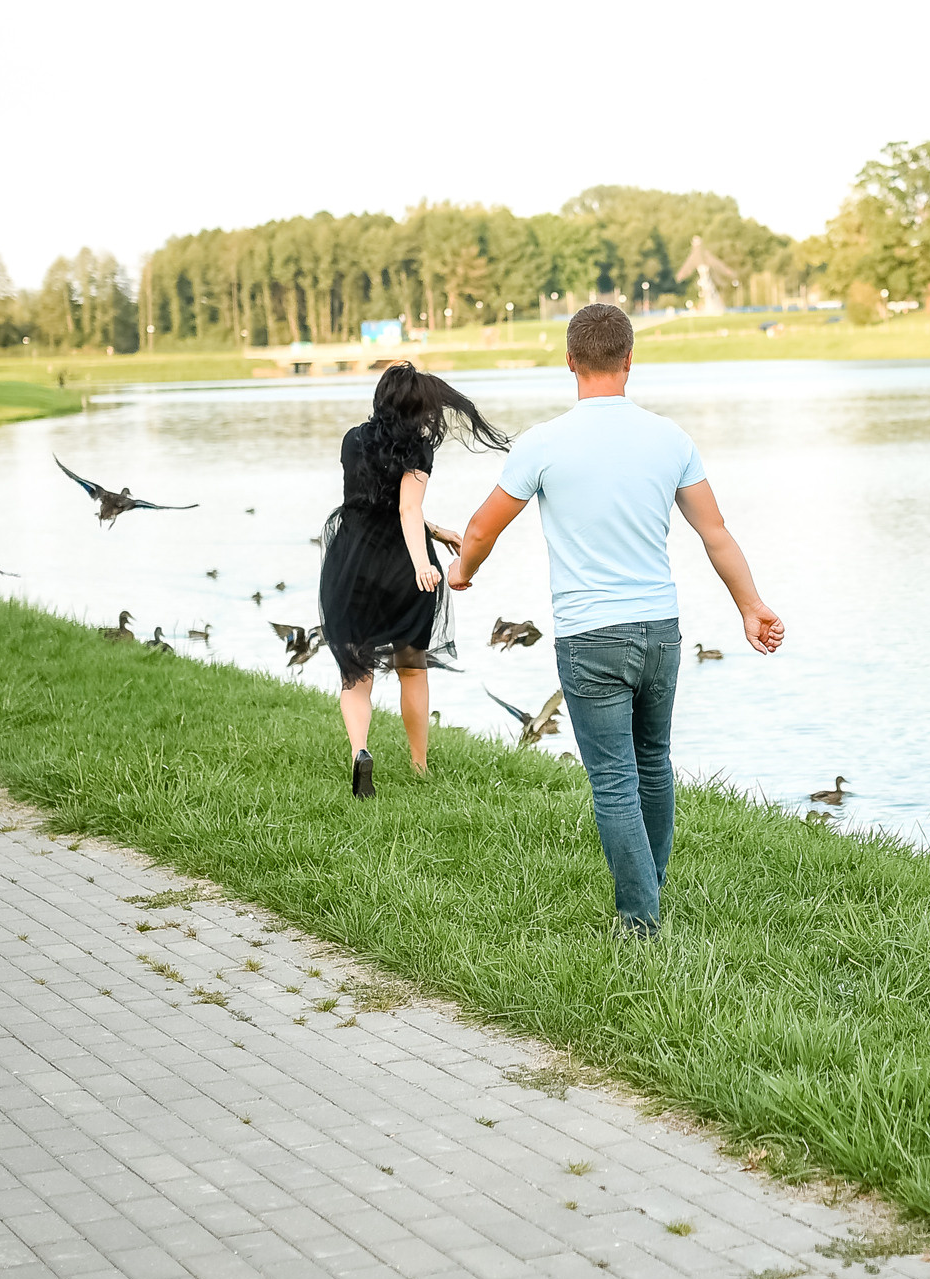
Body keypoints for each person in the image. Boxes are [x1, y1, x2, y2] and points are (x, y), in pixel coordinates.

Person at [449, 304, 783, 937]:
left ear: (570, 361)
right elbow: (715, 534)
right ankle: (647, 895)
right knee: (652, 762)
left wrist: (464, 571)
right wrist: (751, 607)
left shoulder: (543, 443)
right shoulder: (670, 439)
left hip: (590, 637)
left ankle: (639, 920)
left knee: (613, 780)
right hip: (660, 631)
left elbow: (480, 529)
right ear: (630, 359)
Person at [319, 362, 511, 798]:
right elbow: (405, 509)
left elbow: (374, 504)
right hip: (403, 570)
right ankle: (420, 766)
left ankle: (359, 754)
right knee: (413, 669)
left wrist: (435, 529)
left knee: (356, 672)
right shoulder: (419, 449)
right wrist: (423, 562)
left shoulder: (352, 440)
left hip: (352, 564)